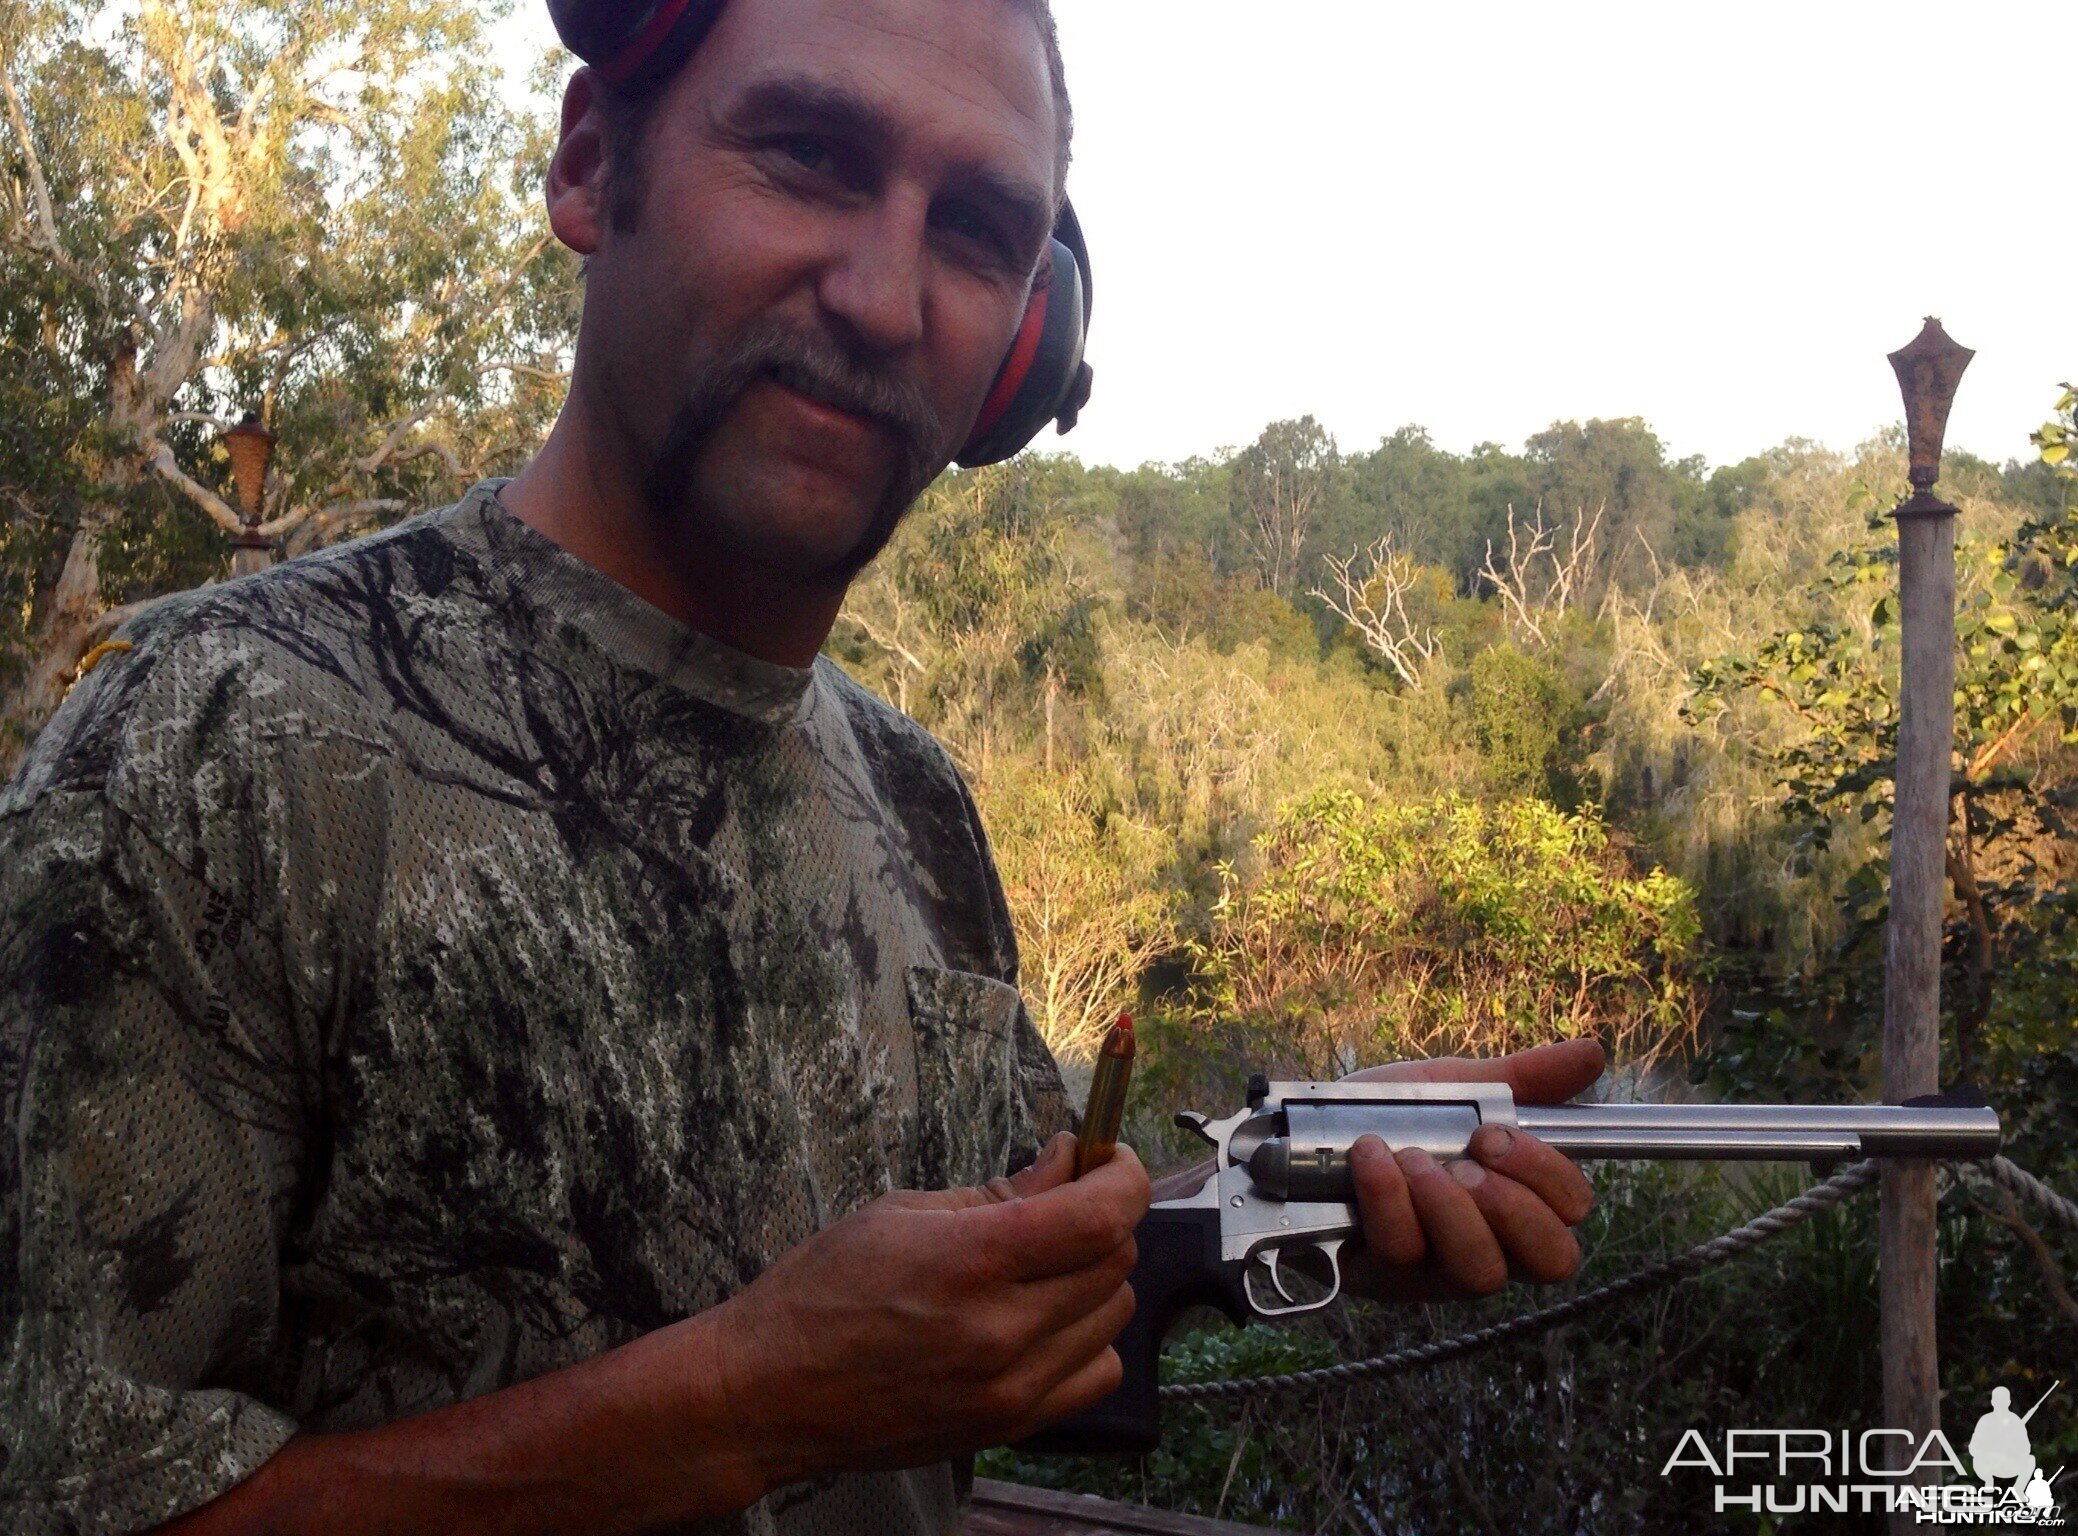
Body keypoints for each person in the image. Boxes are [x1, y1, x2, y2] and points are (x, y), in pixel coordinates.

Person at [0, 1, 1602, 1533]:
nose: (884, 297)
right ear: (588, 166)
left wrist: (1286, 1186)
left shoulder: (916, 803)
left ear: (1023, 348)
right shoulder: (202, 745)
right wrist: (739, 1407)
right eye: (808, 159)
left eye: (978, 232)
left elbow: (962, 1318)